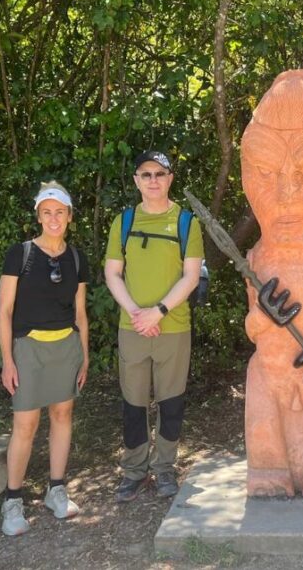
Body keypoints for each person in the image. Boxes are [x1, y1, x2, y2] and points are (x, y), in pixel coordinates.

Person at [104, 151, 202, 502]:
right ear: (136, 180)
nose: (153, 180)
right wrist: (135, 312)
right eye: (146, 174)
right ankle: (133, 470)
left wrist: (157, 311)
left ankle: (164, 469)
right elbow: (113, 272)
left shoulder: (186, 222)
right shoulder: (125, 221)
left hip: (173, 327)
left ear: (170, 178)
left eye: (160, 174)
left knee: (171, 401)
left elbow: (191, 276)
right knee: (133, 403)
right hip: (132, 328)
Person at [0, 181, 89, 536]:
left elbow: (81, 313)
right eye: (47, 212)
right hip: (28, 348)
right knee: (26, 424)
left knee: (63, 414)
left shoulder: (77, 258)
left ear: (69, 216)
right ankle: (13, 501)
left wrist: (84, 356)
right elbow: (4, 311)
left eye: (60, 212)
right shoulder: (19, 254)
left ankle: (56, 490)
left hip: (66, 345)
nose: (54, 218)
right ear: (38, 215)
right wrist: (7, 359)